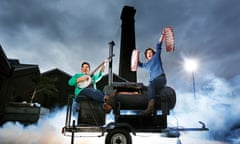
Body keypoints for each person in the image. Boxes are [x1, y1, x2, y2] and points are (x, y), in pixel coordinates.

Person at [138, 32, 167, 115]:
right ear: (146, 56)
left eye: (151, 52)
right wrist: (135, 55)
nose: (149, 53)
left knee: (151, 85)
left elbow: (158, 45)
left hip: (161, 78)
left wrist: (162, 35)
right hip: (153, 81)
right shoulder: (146, 64)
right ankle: (152, 111)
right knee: (147, 88)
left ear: (153, 54)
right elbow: (139, 64)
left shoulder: (156, 57)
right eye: (148, 53)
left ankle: (150, 108)